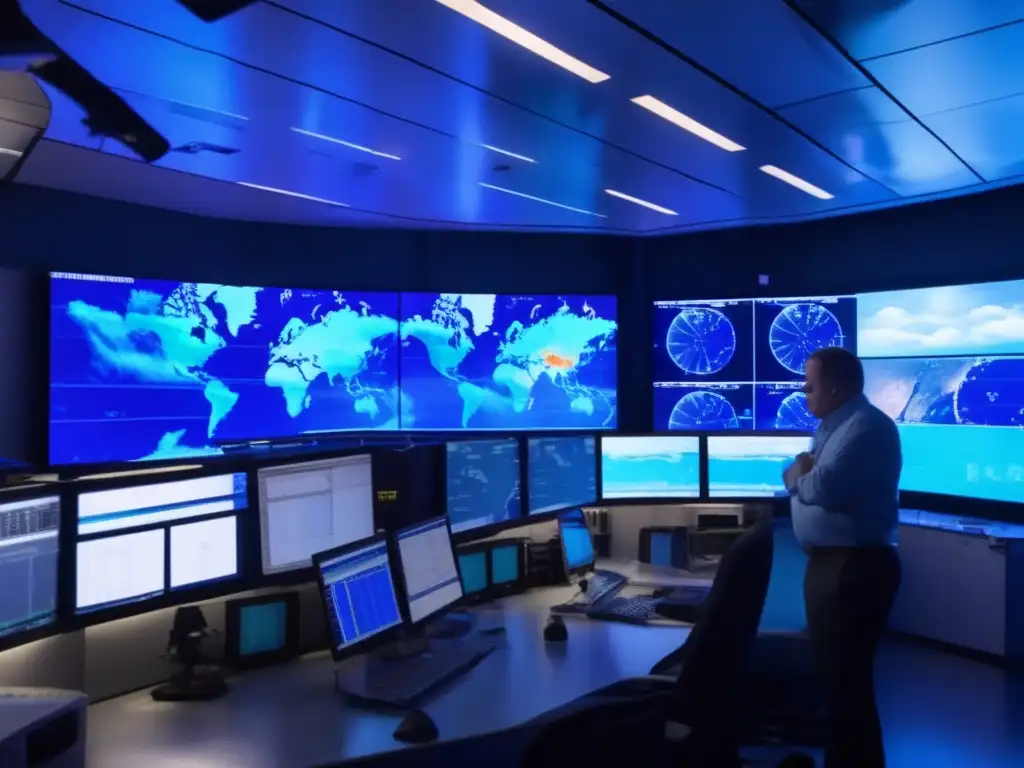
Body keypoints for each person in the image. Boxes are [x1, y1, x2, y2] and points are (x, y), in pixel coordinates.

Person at [783, 346, 902, 768]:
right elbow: (810, 474)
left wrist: (800, 476)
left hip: (853, 568)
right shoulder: (834, 428)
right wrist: (805, 473)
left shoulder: (867, 427)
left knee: (845, 687)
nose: (804, 391)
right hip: (835, 566)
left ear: (835, 386)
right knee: (837, 685)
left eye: (810, 384)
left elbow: (825, 486)